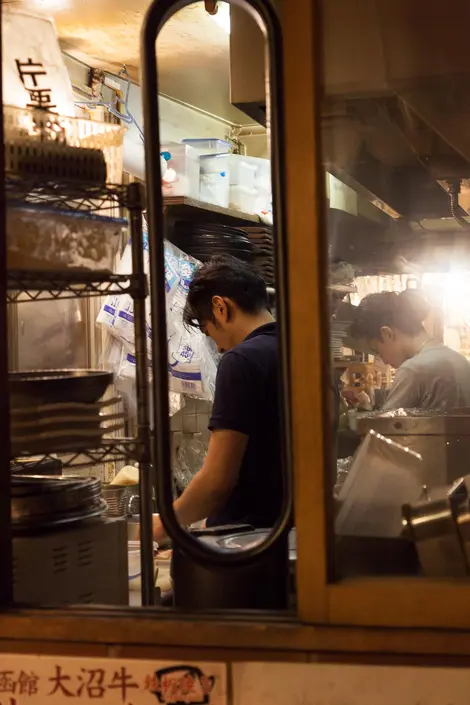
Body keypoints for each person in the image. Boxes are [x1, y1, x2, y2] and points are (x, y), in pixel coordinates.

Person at [151, 255, 283, 543]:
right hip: (297, 537)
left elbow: (217, 482)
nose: (217, 345)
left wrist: (163, 527)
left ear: (220, 307)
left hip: (248, 546)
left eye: (207, 330)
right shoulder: (307, 349)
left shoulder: (242, 360)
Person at [349, 289, 470, 411]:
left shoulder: (413, 370)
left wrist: (365, 407)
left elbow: (386, 426)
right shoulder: (459, 360)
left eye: (378, 351)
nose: (384, 361)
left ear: (387, 334)